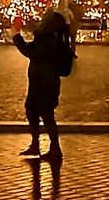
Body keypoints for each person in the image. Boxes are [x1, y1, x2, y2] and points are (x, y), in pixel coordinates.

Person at [14, 11, 68, 162]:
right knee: (33, 112)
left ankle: (55, 148)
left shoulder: (49, 40)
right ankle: (36, 144)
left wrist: (17, 36)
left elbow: (30, 52)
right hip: (41, 81)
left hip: (44, 83)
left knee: (46, 115)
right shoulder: (47, 38)